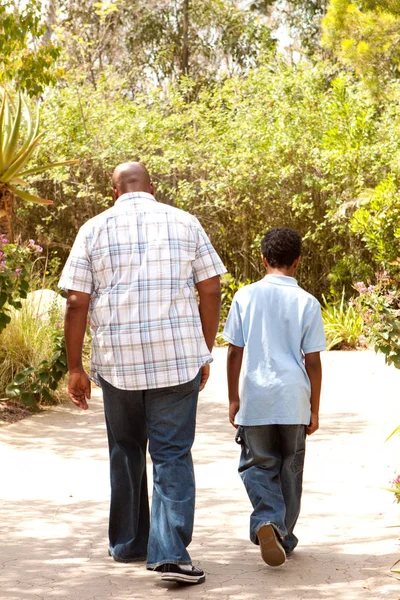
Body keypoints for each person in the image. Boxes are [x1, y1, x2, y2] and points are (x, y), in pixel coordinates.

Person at [59, 162, 226, 585]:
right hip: (175, 361)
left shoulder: (93, 229)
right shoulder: (186, 222)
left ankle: (130, 543)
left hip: (118, 365)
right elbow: (210, 287)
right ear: (153, 187)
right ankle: (170, 553)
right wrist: (203, 350)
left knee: (126, 449)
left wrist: (75, 367)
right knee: (171, 454)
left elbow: (77, 300)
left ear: (112, 192)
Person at [222, 227, 325, 567]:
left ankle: (268, 521)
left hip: (257, 398)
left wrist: (234, 399)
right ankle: (282, 534)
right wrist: (315, 408)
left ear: (263, 259)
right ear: (298, 261)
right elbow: (313, 361)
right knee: (290, 470)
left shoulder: (245, 296)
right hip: (293, 399)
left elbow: (234, 352)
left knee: (257, 464)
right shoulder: (307, 302)